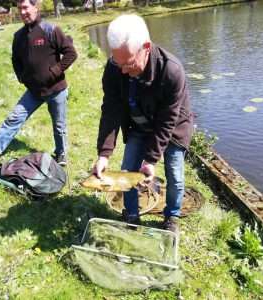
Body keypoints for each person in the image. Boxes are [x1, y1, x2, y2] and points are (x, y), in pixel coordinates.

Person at [92, 15, 194, 235]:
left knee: (174, 174)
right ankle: (131, 213)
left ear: (146, 48)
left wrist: (150, 160)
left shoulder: (171, 71)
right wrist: (104, 154)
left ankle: (172, 215)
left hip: (173, 127)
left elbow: (167, 121)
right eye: (118, 63)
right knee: (128, 170)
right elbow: (111, 111)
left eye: (128, 63)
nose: (123, 71)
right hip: (138, 124)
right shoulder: (115, 69)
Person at [0, 0, 77, 166]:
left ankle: (61, 154)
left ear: (36, 7)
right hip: (34, 91)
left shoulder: (50, 30)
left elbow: (71, 53)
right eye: (20, 8)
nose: (23, 12)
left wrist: (55, 72)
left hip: (56, 89)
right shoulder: (18, 36)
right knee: (14, 118)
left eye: (26, 7)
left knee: (59, 125)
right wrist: (22, 77)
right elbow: (15, 60)